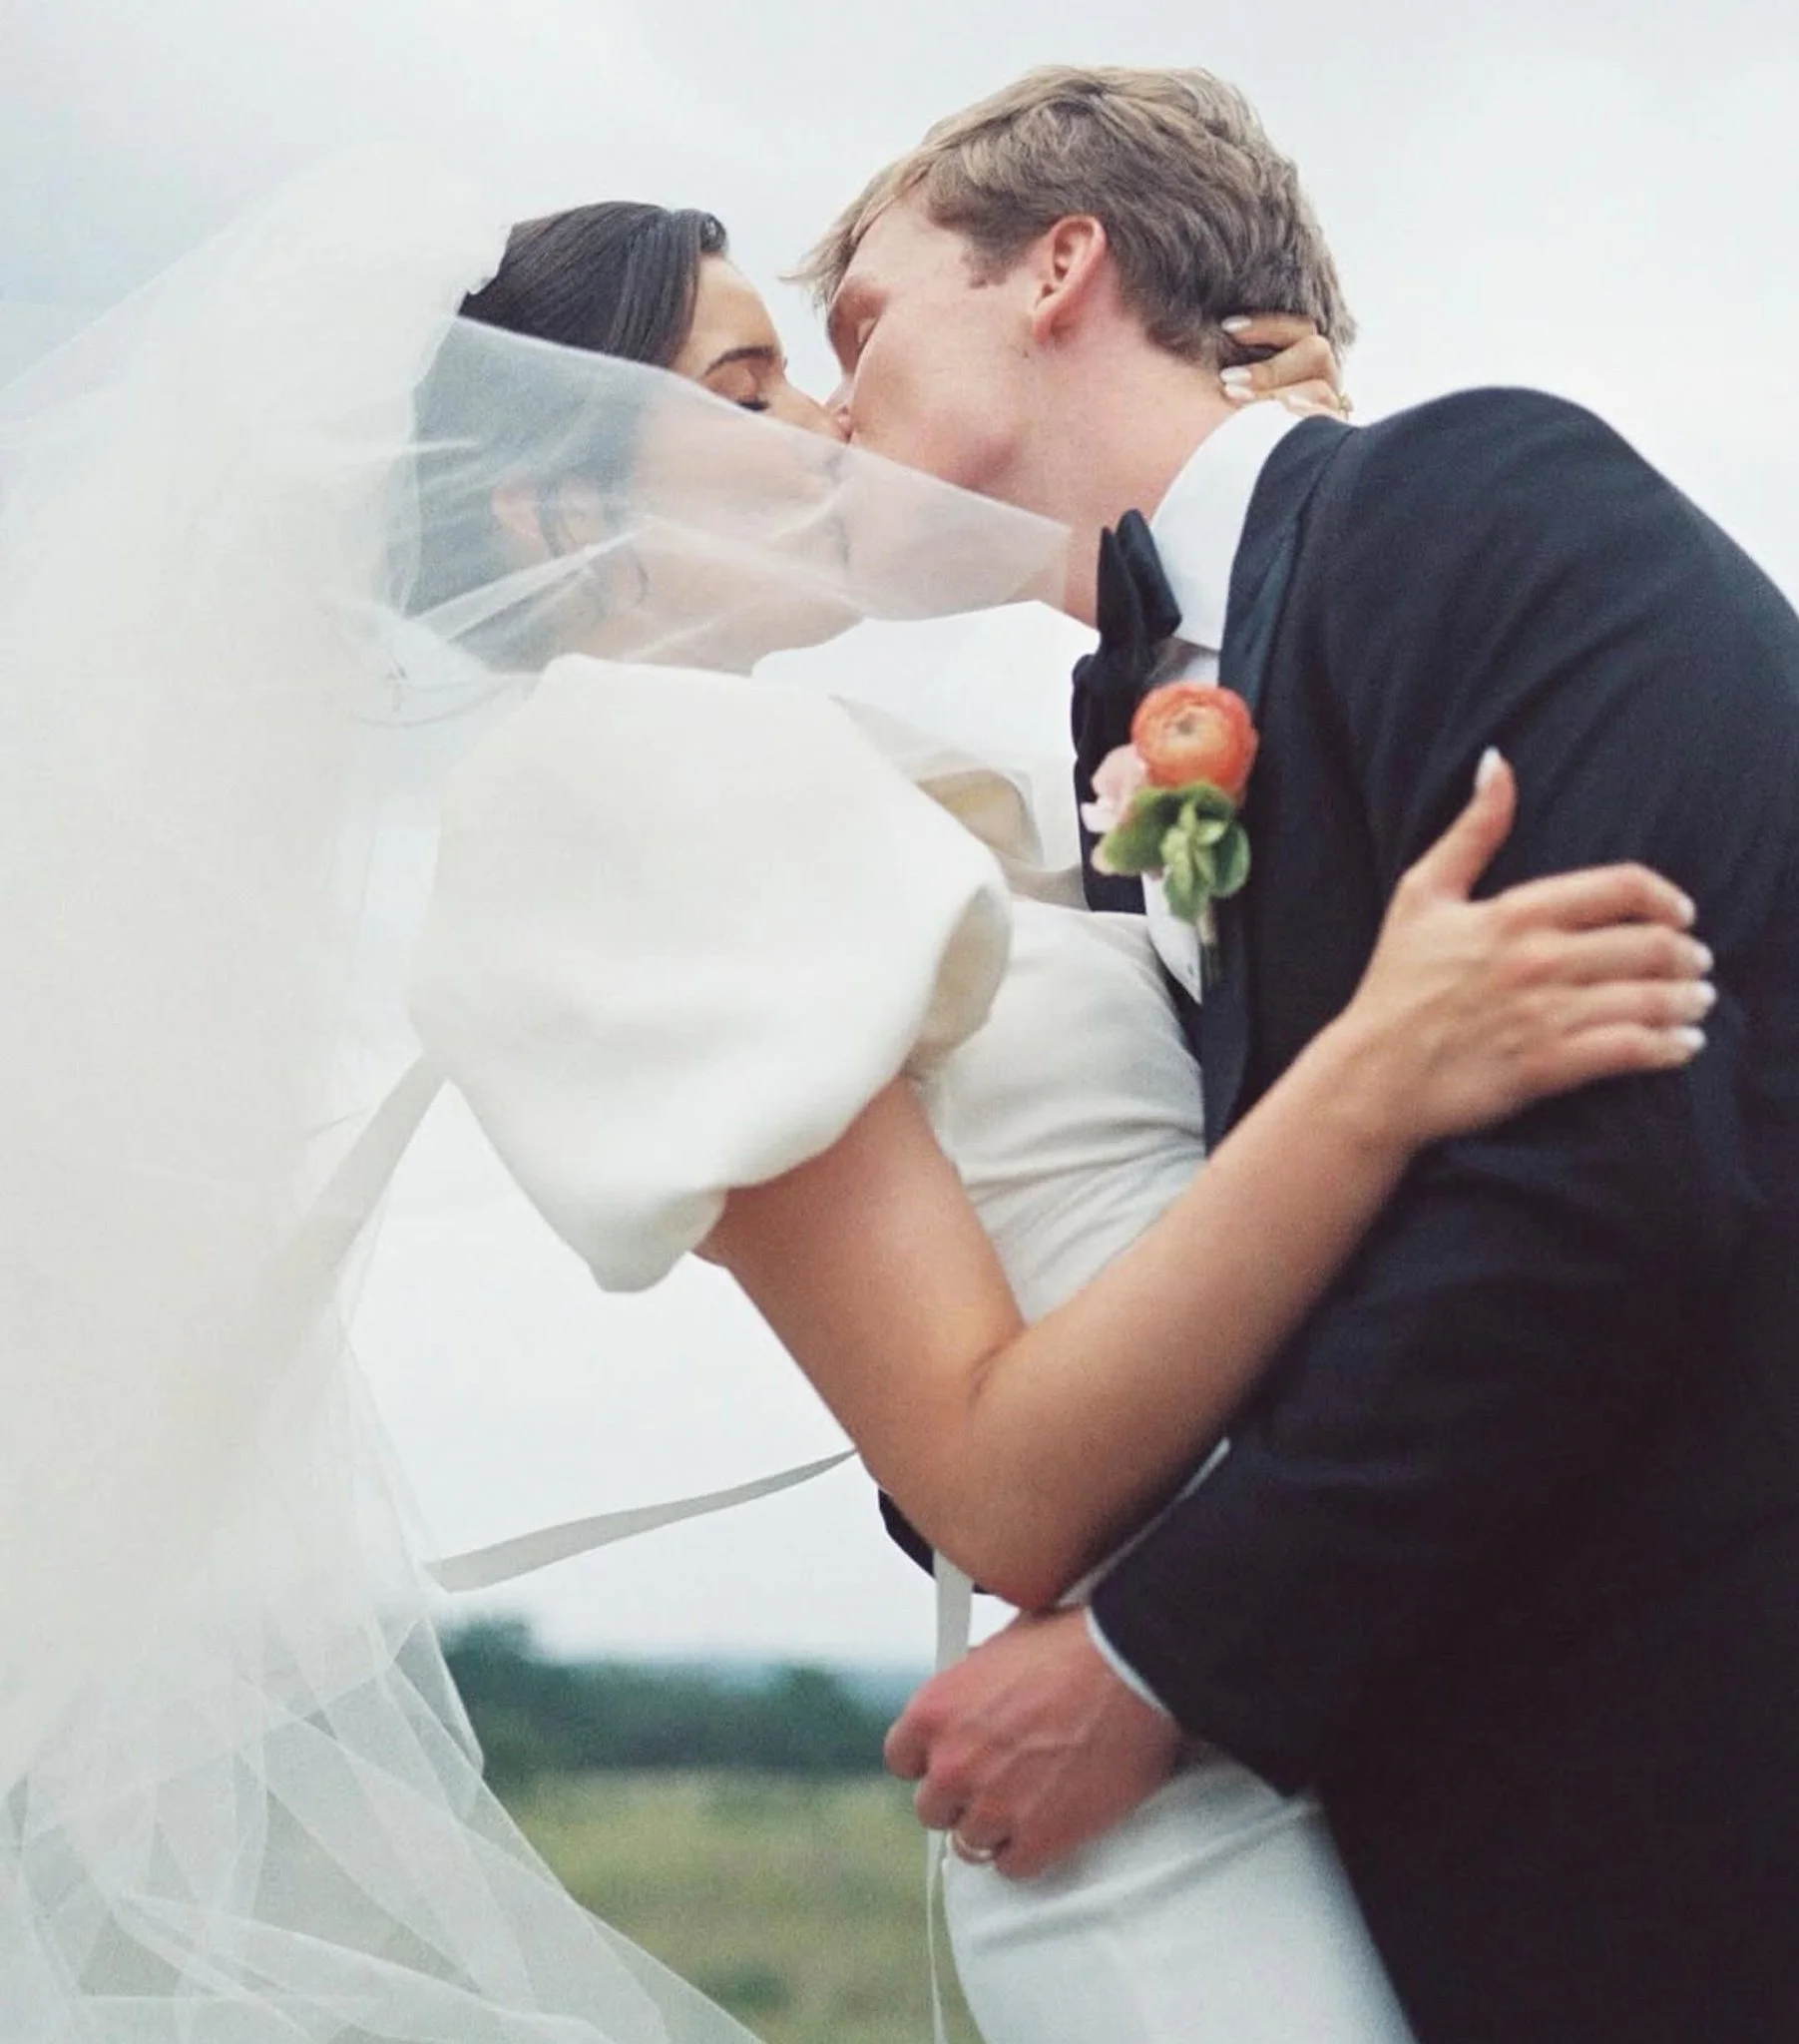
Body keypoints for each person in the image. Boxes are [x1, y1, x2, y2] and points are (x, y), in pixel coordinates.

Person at [0, 152, 1711, 2044]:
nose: (829, 420)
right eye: (747, 395)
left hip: (1322, 1698)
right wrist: (1377, 1081)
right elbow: (994, 1483)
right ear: (555, 494)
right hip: (1173, 1822)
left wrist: (1259, 502)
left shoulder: (821, 765)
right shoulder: (619, 797)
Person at [794, 64, 1799, 2044]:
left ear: (1060, 263)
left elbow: (1606, 1162)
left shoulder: (1478, 499)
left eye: (861, 327)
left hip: (1691, 1801)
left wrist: (1163, 1657)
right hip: (1397, 1854)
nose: (831, 417)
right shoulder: (1129, 740)